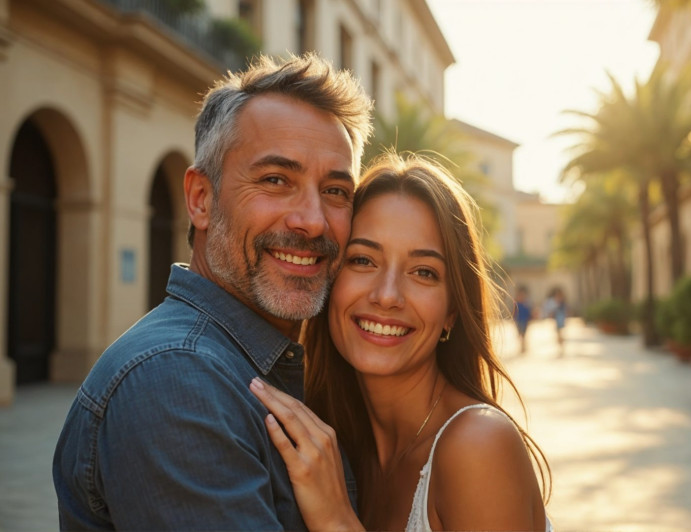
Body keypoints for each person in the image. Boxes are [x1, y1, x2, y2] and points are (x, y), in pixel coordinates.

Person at [52, 53, 373, 530]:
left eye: (335, 191)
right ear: (200, 199)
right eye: (275, 180)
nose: (311, 221)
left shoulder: (258, 364)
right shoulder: (177, 381)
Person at [249, 154, 552, 531]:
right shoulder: (334, 444)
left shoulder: (478, 445)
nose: (388, 295)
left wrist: (336, 521)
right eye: (363, 260)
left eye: (423, 272)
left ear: (452, 311)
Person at [543, 286, 567, 353]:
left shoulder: (561, 302)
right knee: (559, 332)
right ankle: (560, 344)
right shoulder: (555, 301)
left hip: (560, 317)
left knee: (559, 332)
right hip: (558, 318)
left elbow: (563, 309)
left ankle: (561, 344)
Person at [513, 285, 534, 354]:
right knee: (520, 334)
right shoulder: (517, 304)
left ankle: (523, 347)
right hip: (519, 320)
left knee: (524, 334)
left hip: (525, 321)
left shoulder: (526, 304)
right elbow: (514, 312)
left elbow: (529, 312)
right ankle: (522, 347)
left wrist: (530, 318)